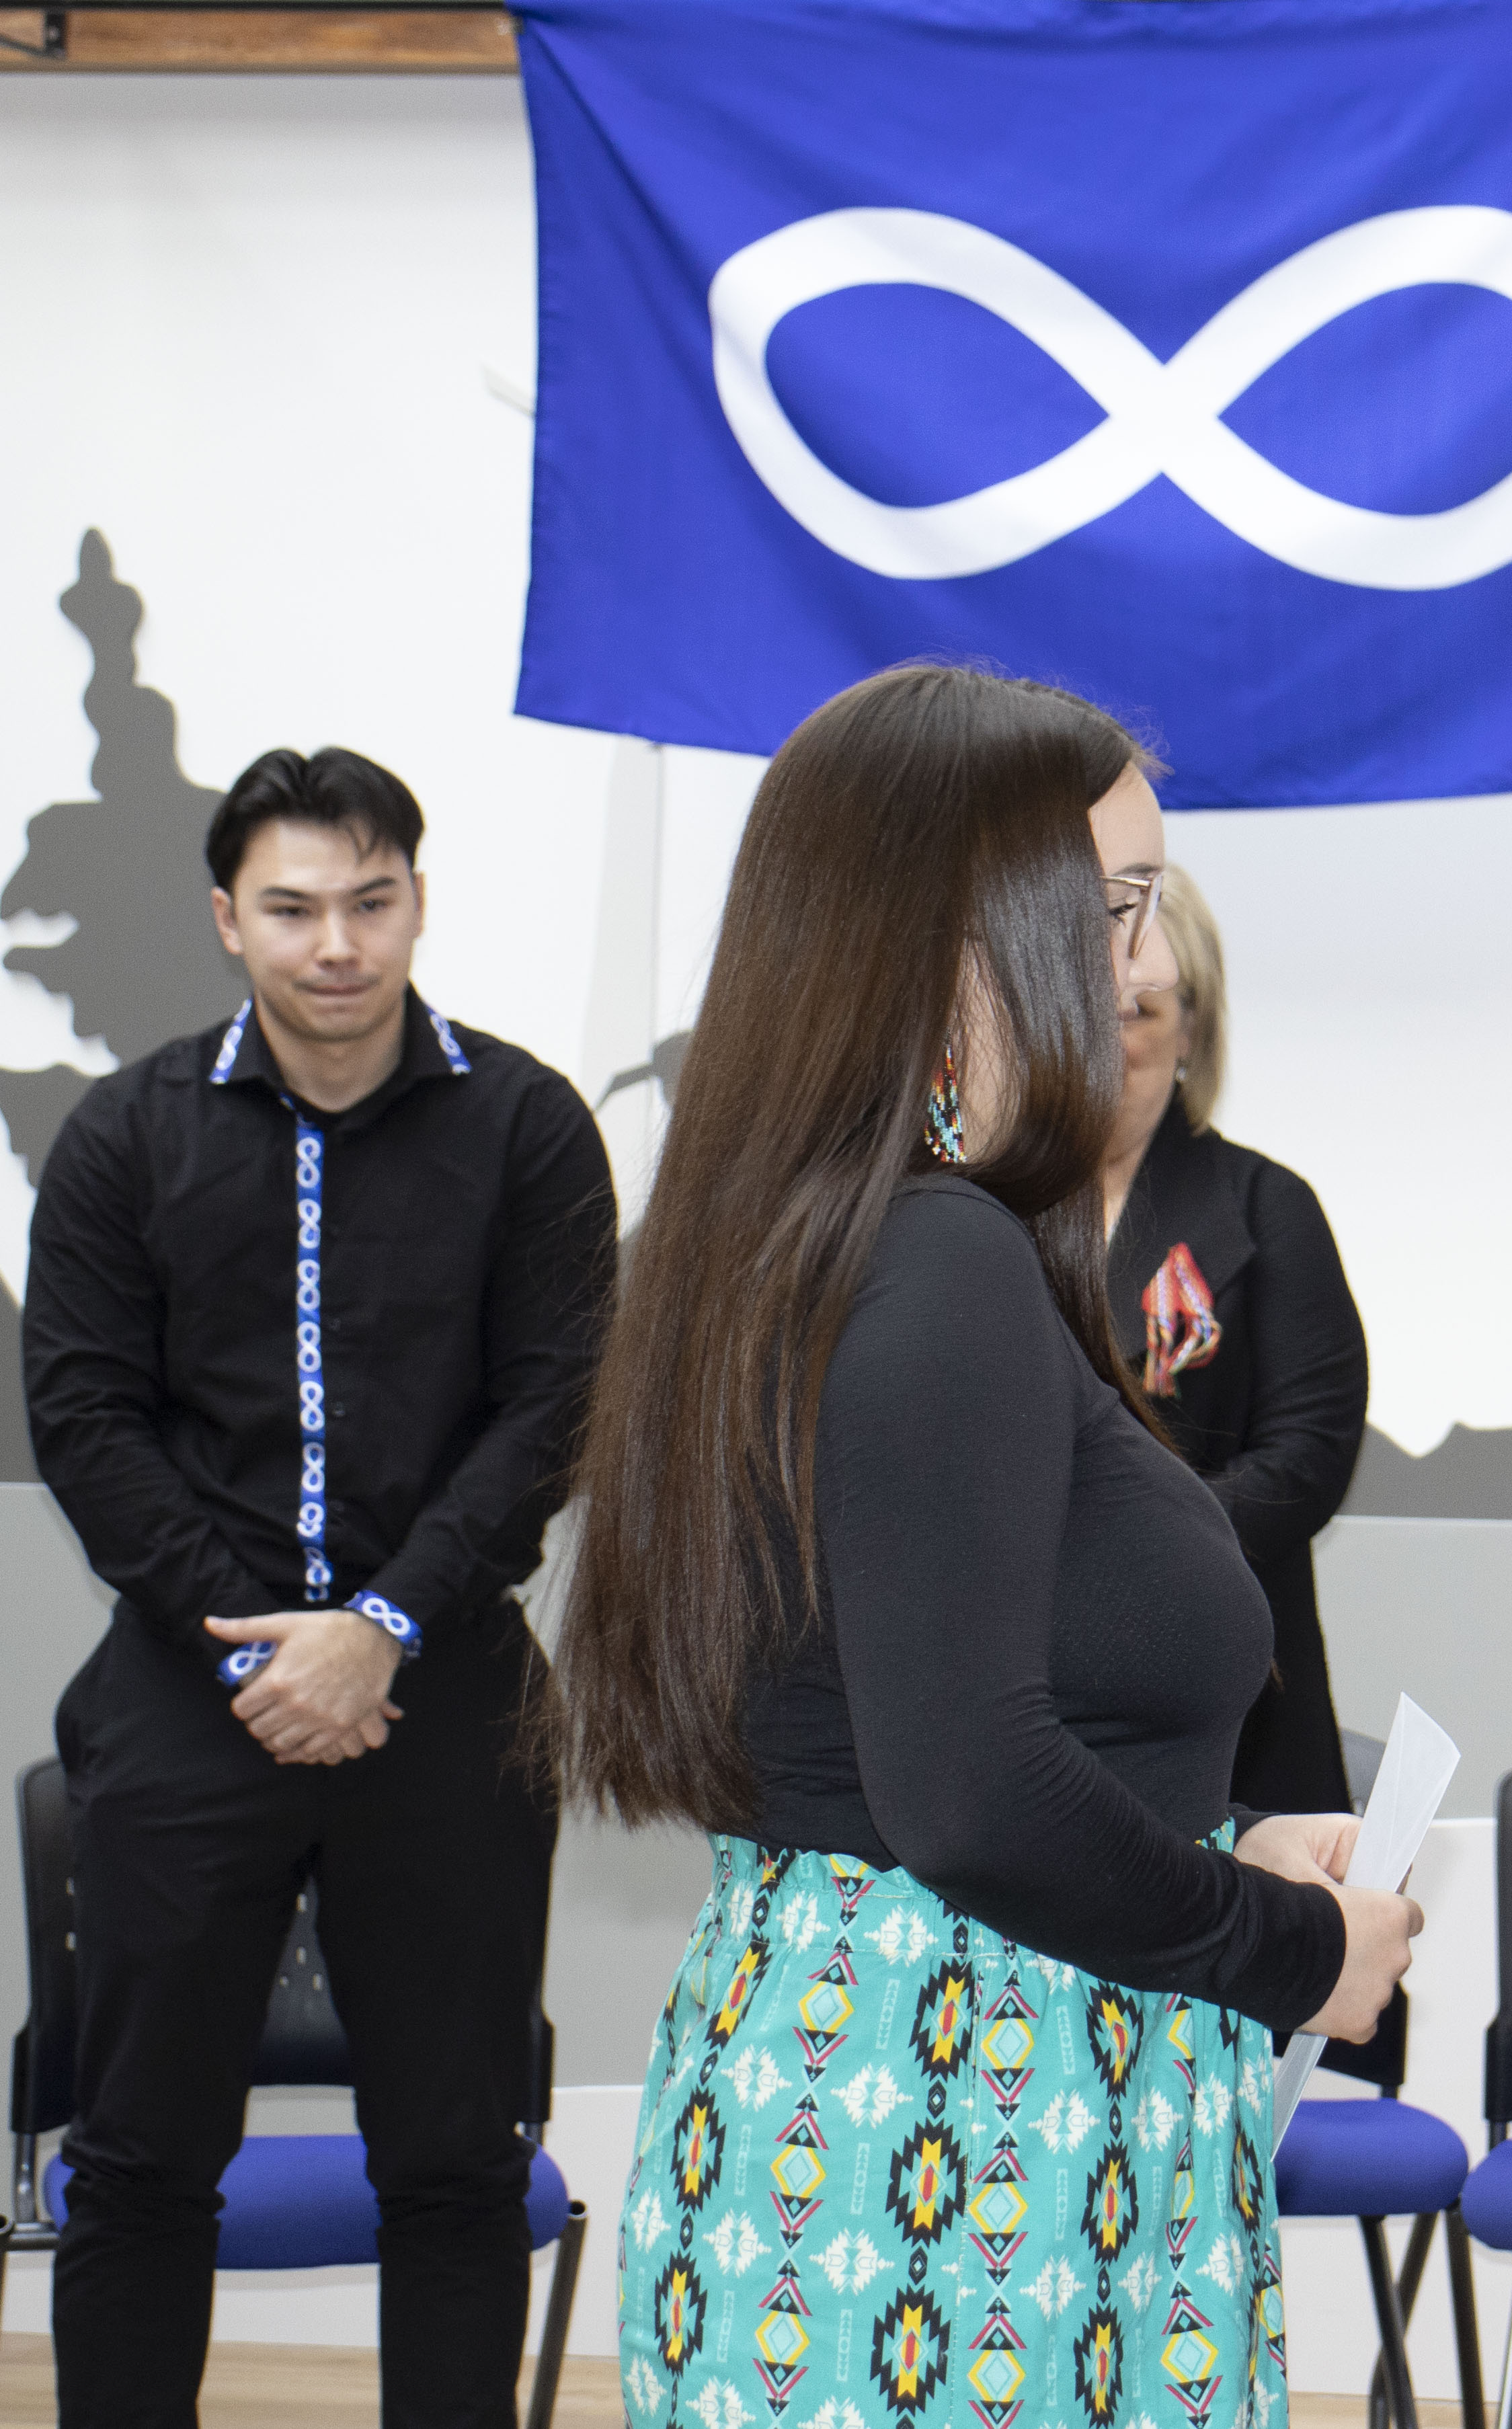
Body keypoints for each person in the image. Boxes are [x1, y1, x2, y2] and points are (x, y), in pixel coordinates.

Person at [538, 667, 1419, 2428]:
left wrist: (1226, 1830)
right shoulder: (939, 1261)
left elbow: (904, 1729)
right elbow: (967, 1788)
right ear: (954, 934)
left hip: (876, 2086)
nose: (1145, 966)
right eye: (1109, 909)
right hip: (960, 2127)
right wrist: (1286, 1943)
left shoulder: (822, 1231)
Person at [22, 746, 616, 2428]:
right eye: (292, 907)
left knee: (451, 2162)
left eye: (370, 900)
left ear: (418, 902)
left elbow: (553, 1405)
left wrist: (380, 1629)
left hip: (448, 1698)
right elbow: (83, 1415)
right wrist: (265, 1650)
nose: (335, 943)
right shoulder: (125, 1136)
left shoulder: (529, 1128)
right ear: (228, 920)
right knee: (137, 2162)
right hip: (180, 1691)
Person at [1103, 865, 1372, 1817]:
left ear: (1192, 1032)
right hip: (1049, 1709)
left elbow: (1305, 1464)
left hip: (1233, 1692)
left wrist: (1120, 1543)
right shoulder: (988, 1221)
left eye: (1138, 1010)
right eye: (1082, 1004)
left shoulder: (1267, 1210)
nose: (1106, 1036)